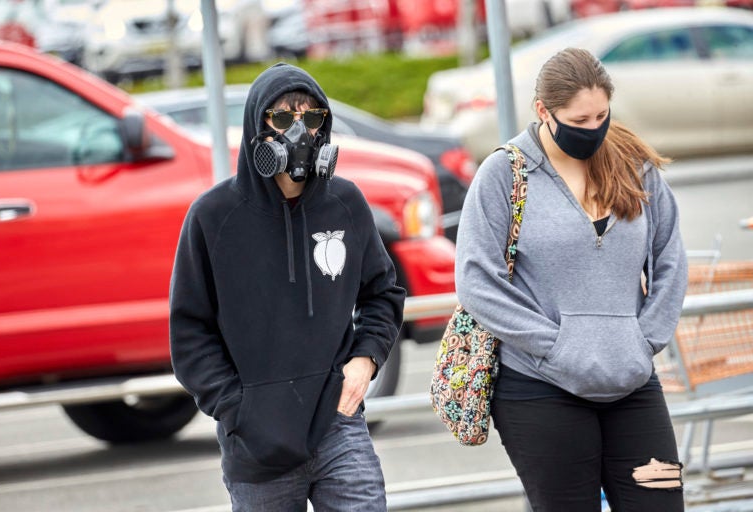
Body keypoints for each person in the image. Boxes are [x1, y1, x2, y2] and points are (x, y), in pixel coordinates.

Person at [455, 47, 688, 511]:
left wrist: (645, 339)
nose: (594, 129)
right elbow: (477, 279)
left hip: (632, 380)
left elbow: (670, 258)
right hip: (540, 389)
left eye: (602, 115)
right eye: (579, 120)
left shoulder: (633, 164)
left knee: (661, 504)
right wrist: (557, 347)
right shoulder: (505, 173)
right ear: (543, 111)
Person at [169, 62, 405, 511]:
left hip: (338, 425)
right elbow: (189, 332)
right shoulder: (212, 218)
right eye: (282, 118)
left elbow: (383, 293)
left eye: (312, 118)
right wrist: (240, 411)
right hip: (258, 447)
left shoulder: (346, 203)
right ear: (257, 127)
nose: (300, 131)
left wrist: (364, 361)